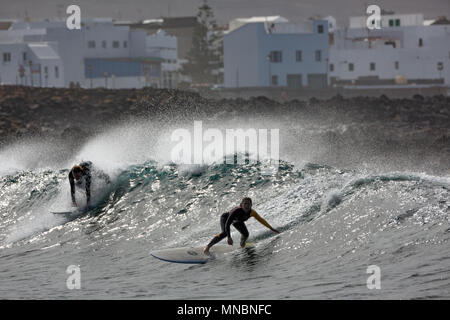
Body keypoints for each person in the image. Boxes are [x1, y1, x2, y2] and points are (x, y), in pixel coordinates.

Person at [204, 197, 280, 255]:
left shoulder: (252, 212)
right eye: (245, 204)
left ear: (251, 205)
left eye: (249, 204)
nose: (247, 205)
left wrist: (272, 229)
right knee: (225, 233)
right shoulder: (236, 211)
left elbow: (261, 220)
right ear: (241, 205)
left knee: (246, 234)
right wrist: (229, 237)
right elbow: (227, 224)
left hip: (237, 221)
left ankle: (242, 245)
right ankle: (207, 247)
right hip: (226, 218)